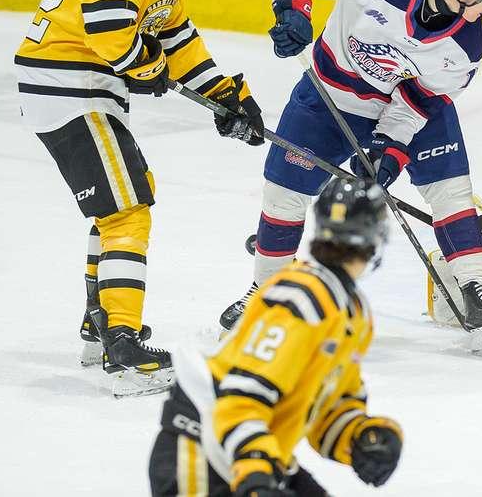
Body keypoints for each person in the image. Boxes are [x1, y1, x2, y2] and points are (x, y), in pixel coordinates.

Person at [14, 0, 264, 397]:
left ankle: (99, 325)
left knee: (120, 203)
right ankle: (123, 347)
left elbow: (175, 36)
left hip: (77, 88)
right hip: (71, 88)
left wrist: (224, 92)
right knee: (129, 210)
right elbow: (108, 31)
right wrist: (145, 68)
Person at [218, 0, 482, 346]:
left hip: (403, 110)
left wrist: (389, 146)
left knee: (450, 189)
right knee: (283, 193)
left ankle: (477, 292)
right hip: (330, 97)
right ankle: (268, 295)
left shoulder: (467, 46)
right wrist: (293, 5)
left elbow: (423, 98)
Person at [149, 177, 402, 496]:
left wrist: (360, 437)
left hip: (252, 453)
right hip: (205, 451)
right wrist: (255, 470)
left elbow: (327, 406)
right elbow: (242, 396)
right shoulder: (301, 299)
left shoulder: (351, 311)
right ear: (377, 237)